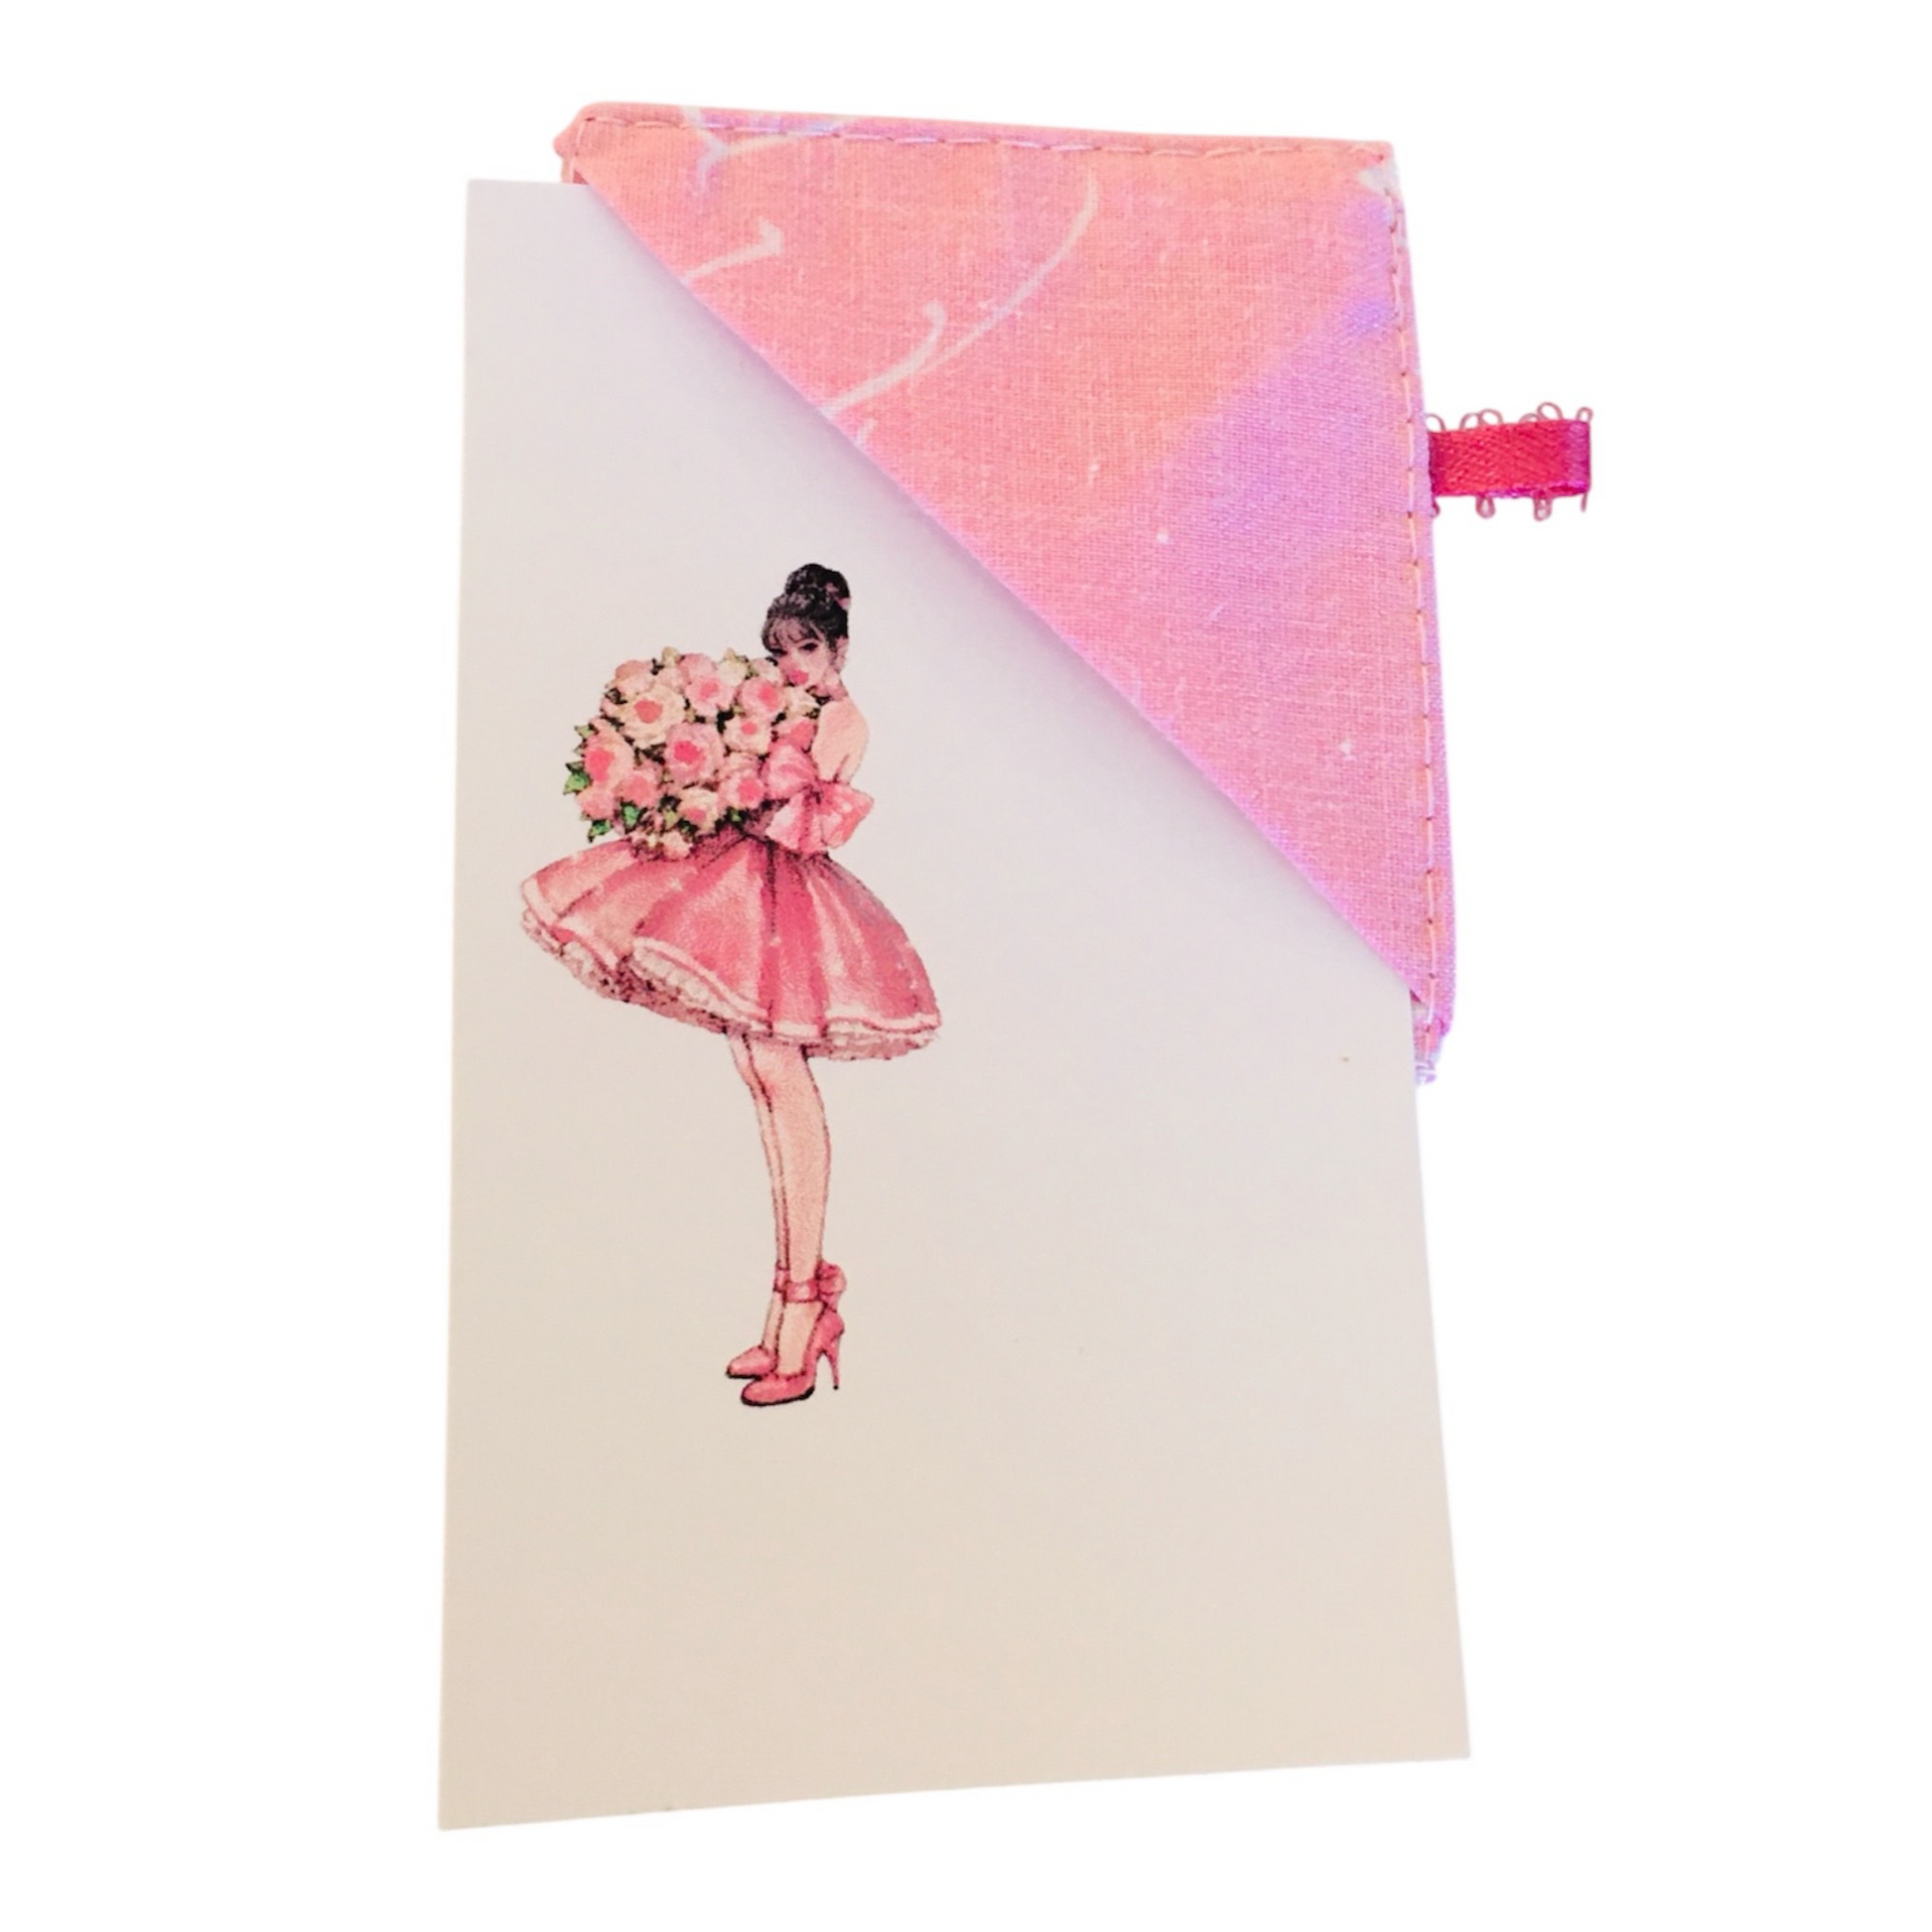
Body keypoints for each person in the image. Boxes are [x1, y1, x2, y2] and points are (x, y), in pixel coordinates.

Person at [520, 567, 940, 1405]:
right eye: (780, 651)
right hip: (741, 887)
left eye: (807, 649)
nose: (792, 665)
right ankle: (791, 1311)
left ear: (839, 649)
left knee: (781, 1077)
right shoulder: (775, 702)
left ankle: (803, 1312)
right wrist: (704, 774)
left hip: (785, 900)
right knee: (760, 1075)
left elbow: (805, 826)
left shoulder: (843, 720)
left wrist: (736, 785)